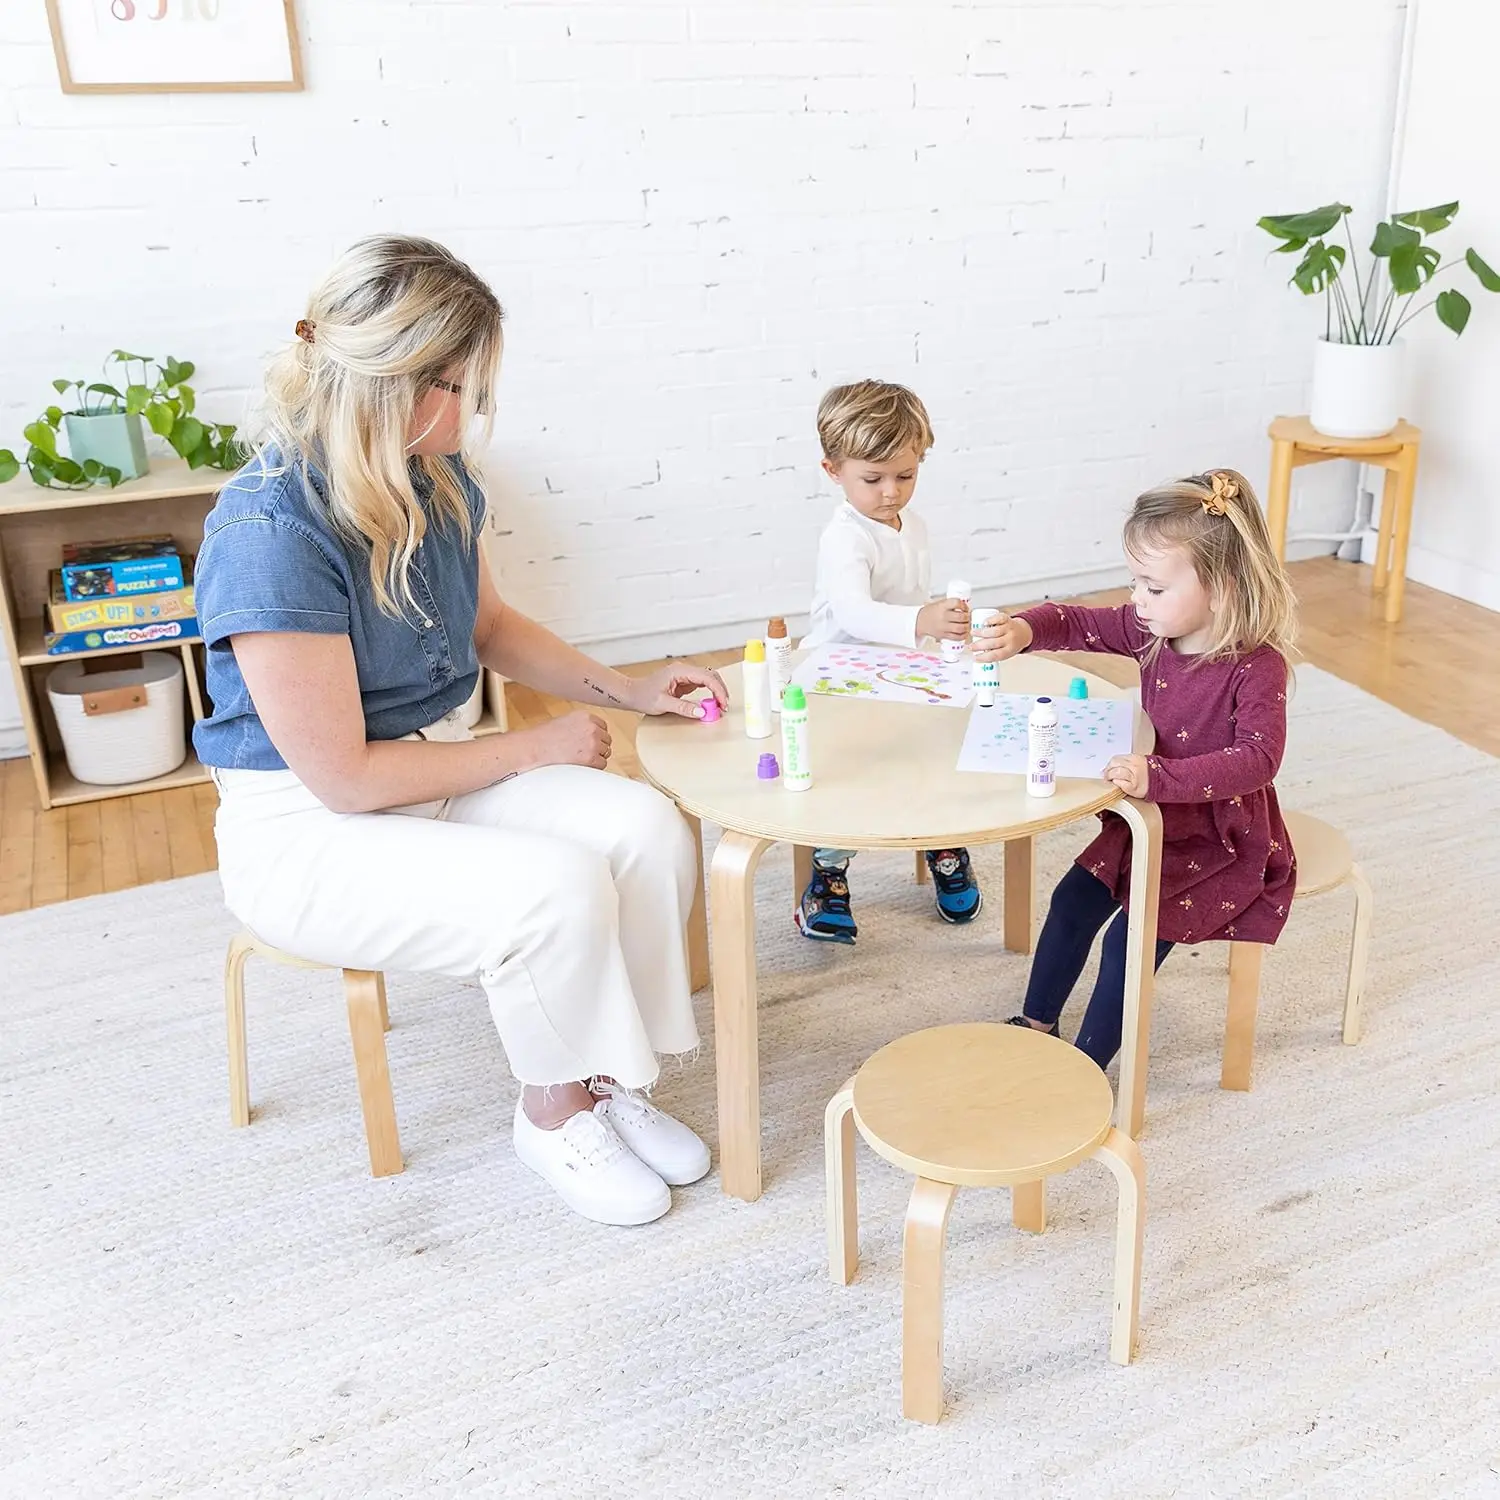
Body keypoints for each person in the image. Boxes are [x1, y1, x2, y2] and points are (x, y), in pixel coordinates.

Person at [193, 235, 727, 1227]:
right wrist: (538, 745)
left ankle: (612, 1073)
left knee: (645, 830)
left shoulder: (435, 481)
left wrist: (629, 691)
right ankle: (551, 1111)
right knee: (553, 889)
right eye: (466, 387)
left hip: (423, 771)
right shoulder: (269, 535)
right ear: (399, 383)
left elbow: (488, 628)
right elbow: (345, 780)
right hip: (303, 827)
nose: (478, 410)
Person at [974, 469, 1298, 1068]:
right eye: (1135, 585)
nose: (1137, 602)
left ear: (1221, 586)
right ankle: (1035, 1023)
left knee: (1130, 940)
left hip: (1219, 839)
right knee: (1072, 902)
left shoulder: (1258, 666)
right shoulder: (1152, 630)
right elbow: (1075, 622)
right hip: (1146, 821)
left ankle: (1084, 1069)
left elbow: (1258, 760)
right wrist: (1024, 629)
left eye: (1153, 587)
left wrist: (1159, 777)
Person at [794, 380, 981, 943]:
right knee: (859, 772)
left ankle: (943, 840)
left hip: (901, 671)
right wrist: (920, 621)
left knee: (930, 756)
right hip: (840, 676)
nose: (891, 492)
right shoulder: (844, 537)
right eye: (872, 479)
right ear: (833, 471)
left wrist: (935, 628)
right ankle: (828, 872)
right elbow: (853, 612)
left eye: (906, 475)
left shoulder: (912, 525)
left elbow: (910, 597)